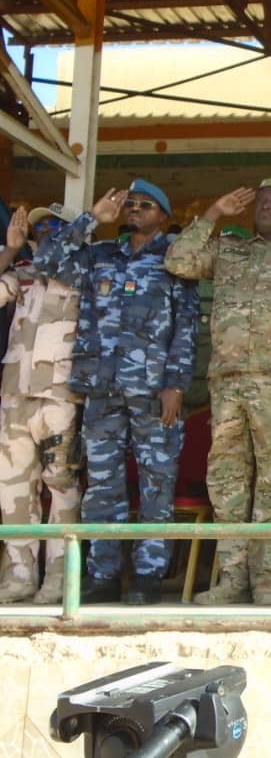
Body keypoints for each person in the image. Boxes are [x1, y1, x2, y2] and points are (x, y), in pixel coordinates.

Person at [36, 180, 197, 605]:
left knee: (155, 485)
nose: (135, 210)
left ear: (163, 215)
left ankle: (147, 575)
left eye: (146, 205)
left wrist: (176, 385)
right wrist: (92, 218)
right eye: (130, 205)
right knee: (103, 485)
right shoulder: (101, 255)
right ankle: (103, 573)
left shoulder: (175, 260)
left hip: (152, 391)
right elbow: (49, 261)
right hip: (102, 388)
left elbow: (186, 328)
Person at [165, 179, 271, 606]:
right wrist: (214, 212)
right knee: (227, 481)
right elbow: (178, 261)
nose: (267, 207)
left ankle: (266, 579)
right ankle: (231, 578)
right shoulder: (230, 250)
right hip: (228, 382)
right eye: (262, 202)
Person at [0, 204, 82, 604]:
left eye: (55, 225)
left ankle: (57, 577)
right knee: (12, 489)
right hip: (15, 396)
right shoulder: (22, 276)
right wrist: (9, 252)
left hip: (62, 396)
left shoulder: (83, 275)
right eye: (41, 227)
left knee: (62, 486)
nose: (46, 231)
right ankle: (19, 576)